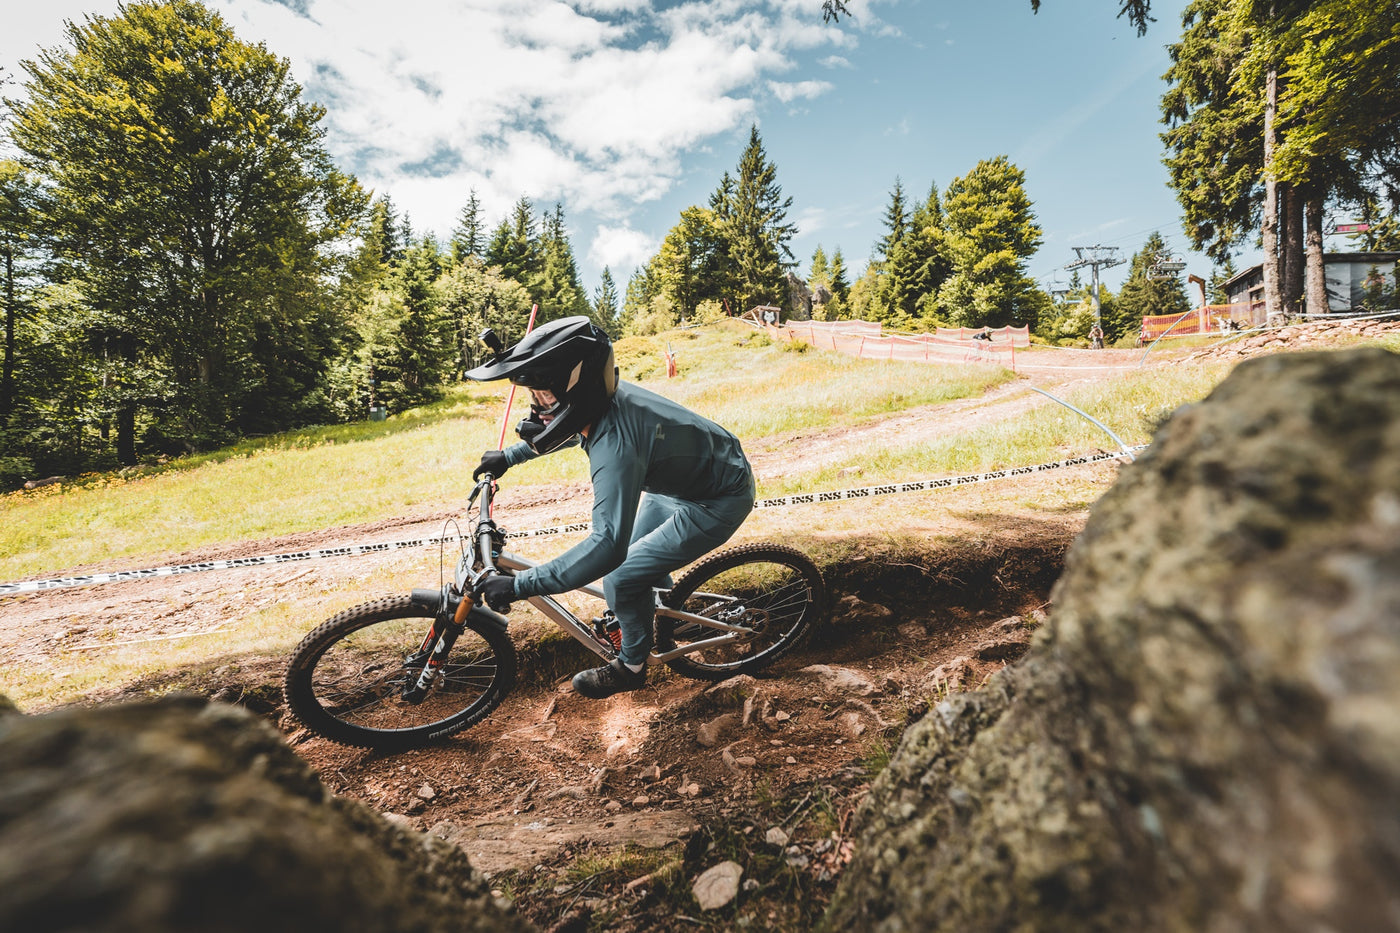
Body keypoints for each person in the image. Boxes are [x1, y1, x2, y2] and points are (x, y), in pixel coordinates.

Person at [465, 316, 756, 699]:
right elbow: (572, 427)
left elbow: (606, 546)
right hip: (692, 479)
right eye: (534, 398)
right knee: (637, 569)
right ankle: (656, 614)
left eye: (545, 397)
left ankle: (632, 666)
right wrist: (510, 455)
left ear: (578, 390)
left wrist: (520, 585)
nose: (538, 411)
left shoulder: (616, 446)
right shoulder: (603, 400)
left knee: (620, 576)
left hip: (717, 500)